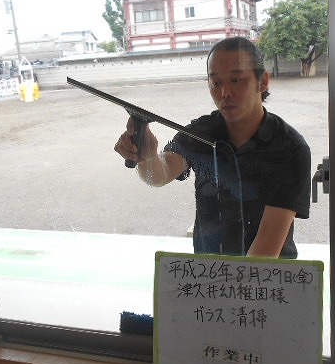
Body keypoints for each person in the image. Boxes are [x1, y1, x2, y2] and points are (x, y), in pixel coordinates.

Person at [114, 36, 310, 258]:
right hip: (209, 270)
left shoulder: (289, 148)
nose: (224, 92)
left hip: (267, 274)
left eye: (236, 80)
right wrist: (147, 156)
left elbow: (266, 246)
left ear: (263, 82)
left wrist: (220, 278)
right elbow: (160, 174)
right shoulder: (202, 132)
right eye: (216, 83)